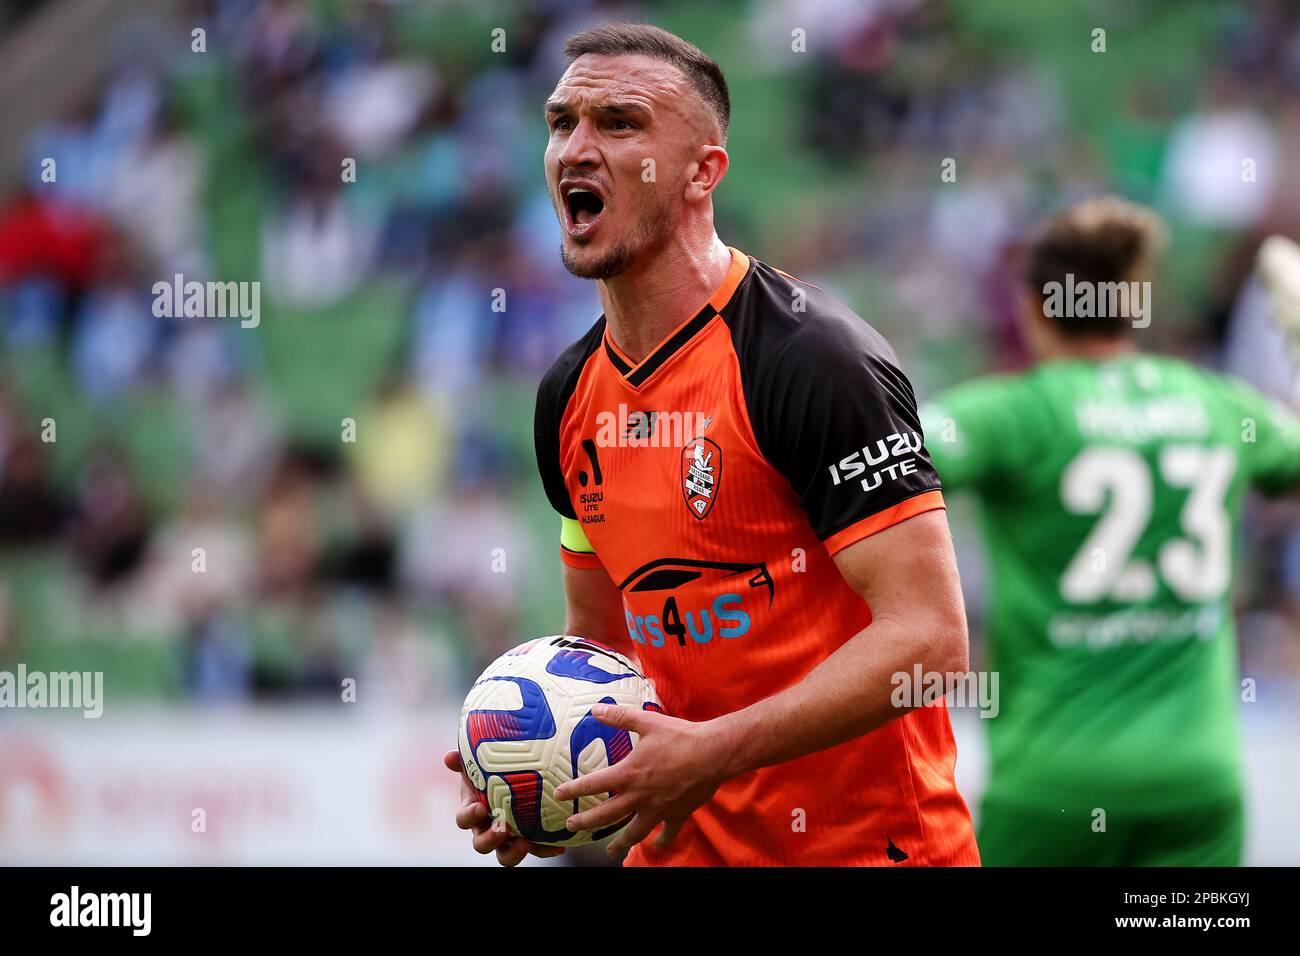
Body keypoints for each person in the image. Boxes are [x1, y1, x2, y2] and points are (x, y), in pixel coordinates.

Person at [444, 23, 979, 867]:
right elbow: (606, 643)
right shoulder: (566, 399)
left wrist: (713, 751)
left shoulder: (811, 360)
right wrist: (547, 777)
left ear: (703, 171)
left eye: (619, 124)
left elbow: (930, 640)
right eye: (560, 123)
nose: (575, 149)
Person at [920, 196, 1300, 865]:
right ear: (1134, 304)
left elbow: (875, 463)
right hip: (1198, 783)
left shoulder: (1011, 414)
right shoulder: (1219, 405)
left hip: (1052, 784)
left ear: (1034, 308)